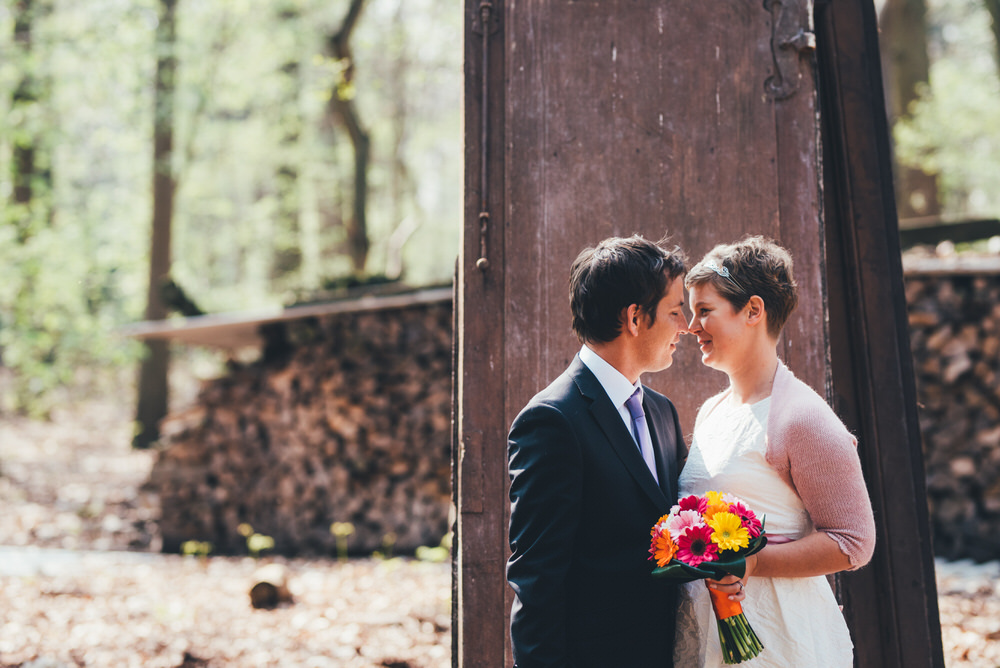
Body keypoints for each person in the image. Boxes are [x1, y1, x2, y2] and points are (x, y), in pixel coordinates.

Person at [674, 236, 877, 667]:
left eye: (705, 310)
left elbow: (854, 541)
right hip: (707, 631)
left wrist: (754, 563)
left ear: (752, 311)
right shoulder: (712, 411)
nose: (692, 326)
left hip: (777, 639)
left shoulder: (801, 418)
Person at [506, 234, 696, 667]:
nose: (685, 325)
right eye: (674, 310)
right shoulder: (552, 421)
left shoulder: (663, 413)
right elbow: (537, 581)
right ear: (634, 318)